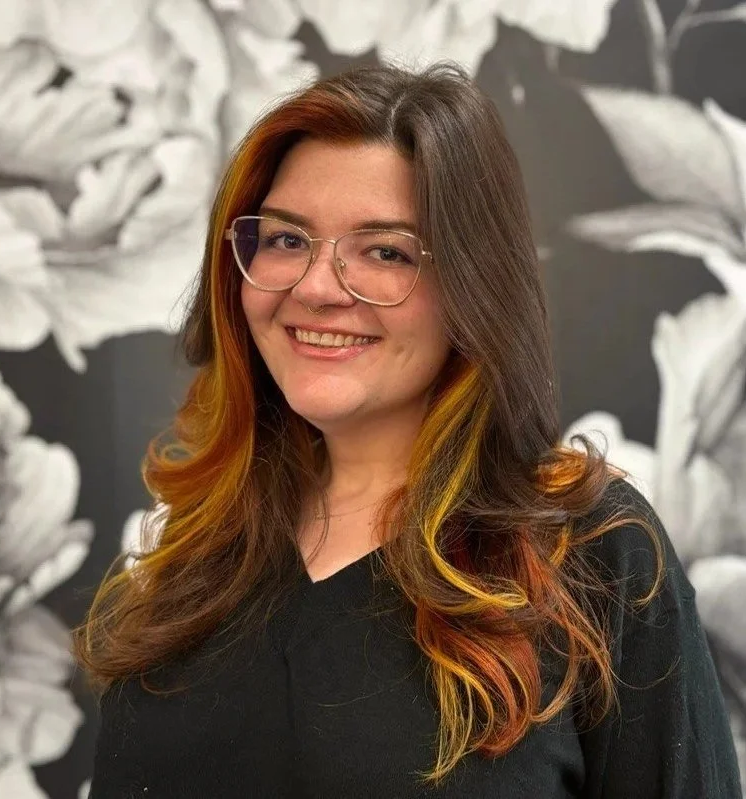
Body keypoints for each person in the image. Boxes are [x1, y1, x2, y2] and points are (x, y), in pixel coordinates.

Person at [73, 62, 741, 798]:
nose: (318, 287)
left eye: (385, 251)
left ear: (472, 285)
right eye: (287, 241)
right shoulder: (190, 558)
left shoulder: (589, 553)